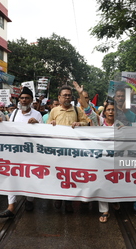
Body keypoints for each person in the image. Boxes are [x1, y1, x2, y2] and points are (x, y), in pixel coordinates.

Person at [73, 81, 121, 222]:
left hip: (115, 159)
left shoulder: (121, 125)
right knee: (102, 183)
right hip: (100, 159)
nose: (111, 112)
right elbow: (87, 108)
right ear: (104, 112)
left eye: (113, 110)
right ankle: (104, 210)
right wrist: (80, 94)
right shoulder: (99, 121)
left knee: (114, 183)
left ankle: (115, 199)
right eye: (109, 110)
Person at [0, 87, 42, 218]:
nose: (24, 100)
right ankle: (11, 206)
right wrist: (0, 123)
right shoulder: (14, 113)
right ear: (19, 100)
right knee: (11, 176)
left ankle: (29, 200)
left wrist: (37, 124)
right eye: (22, 98)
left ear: (31, 100)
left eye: (27, 98)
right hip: (15, 152)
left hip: (31, 152)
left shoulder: (37, 115)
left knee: (30, 175)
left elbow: (43, 134)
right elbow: (9, 128)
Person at [48, 85, 88, 213]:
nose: (67, 97)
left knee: (70, 176)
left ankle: (69, 201)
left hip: (73, 151)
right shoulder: (54, 111)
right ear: (59, 98)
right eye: (64, 95)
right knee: (57, 175)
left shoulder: (77, 110)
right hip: (57, 151)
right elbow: (47, 125)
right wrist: (50, 124)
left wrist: (79, 124)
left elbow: (87, 123)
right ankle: (58, 197)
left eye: (69, 95)